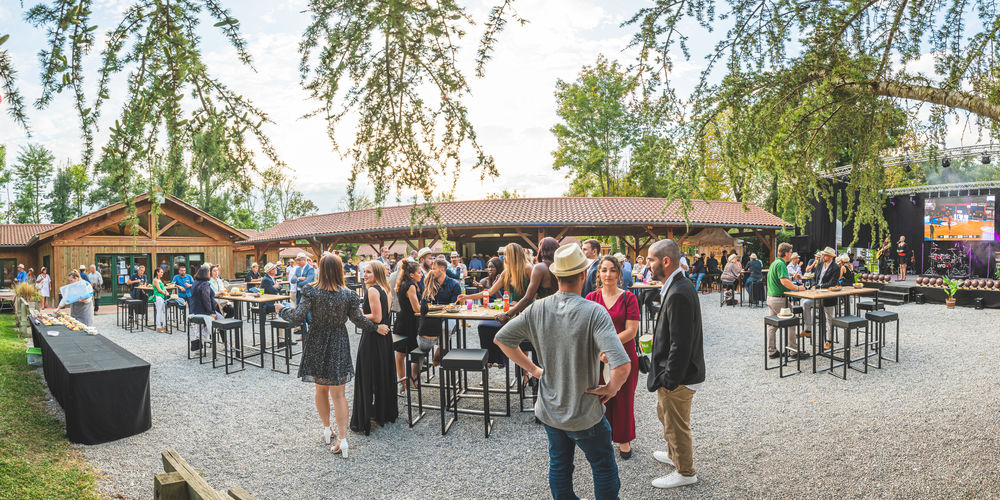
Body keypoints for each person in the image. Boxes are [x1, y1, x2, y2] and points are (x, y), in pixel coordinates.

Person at [495, 244, 630, 500]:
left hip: (550, 409)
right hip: (584, 411)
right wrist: (612, 388)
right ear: (583, 275)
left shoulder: (537, 308)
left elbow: (502, 339)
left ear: (556, 275)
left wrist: (534, 370)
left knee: (559, 465)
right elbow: (622, 365)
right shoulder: (594, 312)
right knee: (603, 467)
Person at [276, 255, 389, 458]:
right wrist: (375, 328)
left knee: (321, 388)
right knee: (339, 394)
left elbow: (297, 316)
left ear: (321, 269)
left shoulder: (310, 290)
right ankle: (342, 439)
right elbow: (358, 319)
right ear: (339, 270)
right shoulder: (348, 294)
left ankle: (327, 428)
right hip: (339, 341)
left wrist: (281, 309)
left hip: (316, 341)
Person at [644, 239, 705, 489]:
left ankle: (685, 471)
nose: (647, 264)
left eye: (651, 259)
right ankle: (673, 455)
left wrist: (670, 380)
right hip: (674, 373)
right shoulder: (677, 284)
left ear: (666, 261)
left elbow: (681, 344)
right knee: (666, 417)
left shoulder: (679, 291)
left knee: (676, 425)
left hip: (679, 377)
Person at [586, 256, 640, 459]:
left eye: (612, 270)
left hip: (623, 356)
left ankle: (624, 439)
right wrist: (601, 350)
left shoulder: (629, 298)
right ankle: (601, 438)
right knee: (599, 397)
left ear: (619, 274)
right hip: (598, 356)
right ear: (598, 274)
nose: (608, 274)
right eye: (604, 270)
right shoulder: (591, 298)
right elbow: (586, 329)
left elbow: (631, 331)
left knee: (624, 398)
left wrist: (609, 348)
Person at [459, 242, 534, 368]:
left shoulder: (528, 268)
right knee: (490, 331)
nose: (503, 257)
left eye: (506, 255)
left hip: (529, 310)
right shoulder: (507, 272)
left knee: (506, 337)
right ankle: (498, 361)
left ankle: (528, 370)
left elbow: (534, 294)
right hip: (514, 310)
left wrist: (518, 303)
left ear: (513, 255)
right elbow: (489, 292)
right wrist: (467, 297)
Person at [350, 260, 398, 435]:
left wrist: (360, 314)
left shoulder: (372, 290)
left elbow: (377, 317)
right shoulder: (386, 289)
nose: (365, 275)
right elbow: (384, 315)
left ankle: (367, 416)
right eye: (364, 271)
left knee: (367, 375)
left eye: (369, 272)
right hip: (384, 338)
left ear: (377, 273)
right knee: (382, 373)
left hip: (372, 337)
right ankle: (382, 412)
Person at [765, 243, 811, 360]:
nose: (791, 254)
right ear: (786, 253)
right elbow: (784, 282)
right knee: (792, 322)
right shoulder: (781, 264)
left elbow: (782, 279)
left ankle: (772, 351)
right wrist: (798, 288)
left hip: (771, 298)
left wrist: (793, 278)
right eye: (790, 252)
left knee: (772, 326)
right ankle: (793, 352)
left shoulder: (775, 262)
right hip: (779, 299)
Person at [417, 257, 462, 364]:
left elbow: (455, 306)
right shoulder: (430, 282)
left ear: (442, 269)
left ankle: (441, 349)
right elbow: (425, 301)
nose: (432, 271)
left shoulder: (454, 284)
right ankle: (422, 358)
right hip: (434, 316)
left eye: (434, 268)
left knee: (444, 327)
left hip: (450, 316)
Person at [393, 261, 422, 389]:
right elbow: (416, 308)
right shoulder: (410, 286)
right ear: (411, 274)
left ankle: (403, 382)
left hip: (402, 320)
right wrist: (428, 307)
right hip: (408, 323)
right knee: (412, 352)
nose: (421, 274)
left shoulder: (403, 284)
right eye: (419, 272)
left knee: (400, 354)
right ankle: (408, 380)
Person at [188, 265, 223, 352]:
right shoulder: (205, 284)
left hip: (195, 311)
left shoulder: (195, 283)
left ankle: (199, 346)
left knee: (200, 327)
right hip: (203, 311)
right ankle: (225, 344)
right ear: (206, 274)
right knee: (221, 319)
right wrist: (211, 312)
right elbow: (206, 300)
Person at [814, 247, 841, 350]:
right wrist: (813, 285)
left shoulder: (836, 267)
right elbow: (814, 278)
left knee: (829, 318)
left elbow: (832, 283)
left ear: (830, 257)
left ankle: (829, 340)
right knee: (805, 304)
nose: (823, 256)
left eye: (825, 255)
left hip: (828, 296)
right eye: (823, 254)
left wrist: (818, 286)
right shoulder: (820, 264)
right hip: (816, 294)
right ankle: (808, 330)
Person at [293, 253, 317, 337]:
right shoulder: (297, 269)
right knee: (300, 313)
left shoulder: (310, 269)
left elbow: (308, 282)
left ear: (304, 260)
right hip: (298, 294)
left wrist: (298, 281)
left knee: (308, 314)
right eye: (297, 260)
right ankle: (304, 334)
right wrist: (299, 279)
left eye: (299, 260)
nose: (297, 262)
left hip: (307, 294)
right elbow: (292, 280)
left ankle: (312, 334)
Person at [149, 267, 169, 332]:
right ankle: (158, 327)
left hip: (162, 297)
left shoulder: (159, 280)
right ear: (157, 273)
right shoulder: (155, 280)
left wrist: (166, 291)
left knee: (166, 311)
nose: (162, 273)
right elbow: (159, 290)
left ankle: (164, 326)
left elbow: (163, 288)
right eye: (161, 272)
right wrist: (165, 293)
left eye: (162, 272)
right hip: (158, 297)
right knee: (159, 312)